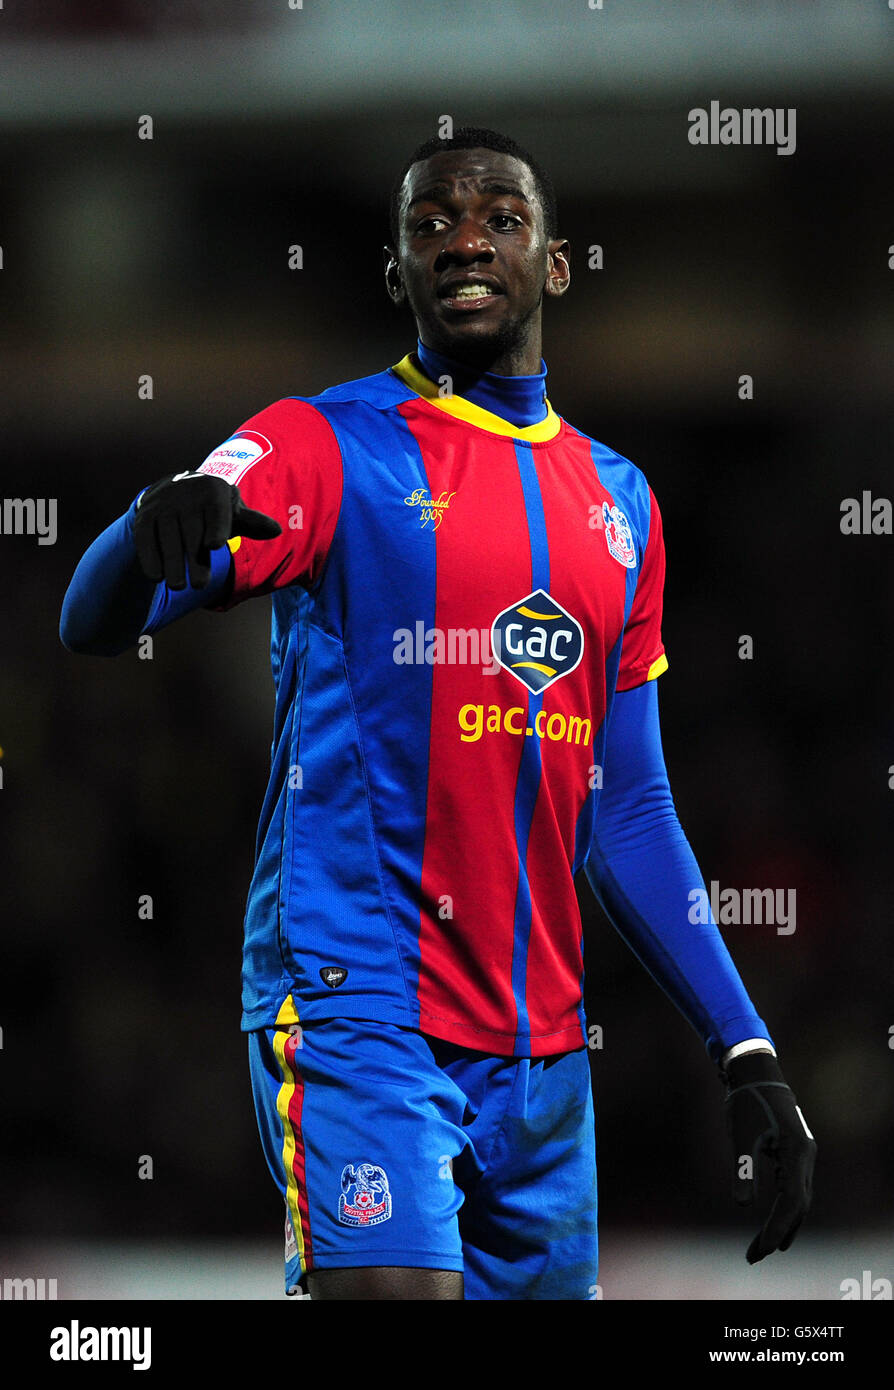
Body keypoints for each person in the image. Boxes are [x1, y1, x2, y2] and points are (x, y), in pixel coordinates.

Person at [59, 126, 816, 1301]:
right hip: (360, 1004)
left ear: (554, 263)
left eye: (500, 217)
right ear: (396, 271)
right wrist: (147, 523)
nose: (465, 239)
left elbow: (629, 811)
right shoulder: (324, 444)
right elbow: (94, 615)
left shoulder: (621, 503)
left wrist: (747, 1048)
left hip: (540, 1050)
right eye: (431, 223)